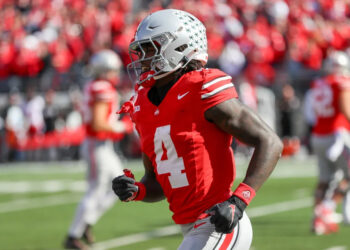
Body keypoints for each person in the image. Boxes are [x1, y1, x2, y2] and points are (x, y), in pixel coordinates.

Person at [112, 9, 283, 249]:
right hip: (191, 227)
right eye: (140, 50)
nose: (142, 57)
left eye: (150, 48)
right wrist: (137, 190)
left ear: (180, 47)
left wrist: (239, 201)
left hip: (219, 224)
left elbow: (270, 142)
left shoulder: (201, 87)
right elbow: (158, 182)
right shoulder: (142, 103)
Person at [64, 49, 132, 249]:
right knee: (95, 190)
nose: (116, 74)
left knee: (122, 187)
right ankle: (73, 236)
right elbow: (98, 123)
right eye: (113, 70)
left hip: (104, 146)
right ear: (105, 70)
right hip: (97, 145)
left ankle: (86, 221)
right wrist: (124, 126)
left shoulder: (96, 86)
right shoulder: (101, 87)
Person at [307, 50, 350, 235]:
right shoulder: (341, 82)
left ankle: (317, 217)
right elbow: (345, 107)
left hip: (318, 135)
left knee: (324, 178)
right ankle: (327, 209)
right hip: (337, 135)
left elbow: (312, 111)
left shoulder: (318, 83)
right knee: (348, 177)